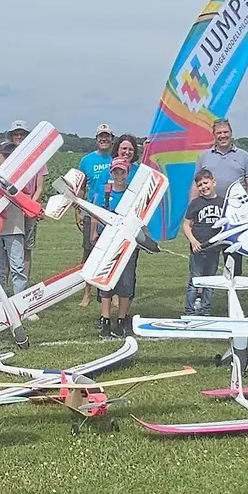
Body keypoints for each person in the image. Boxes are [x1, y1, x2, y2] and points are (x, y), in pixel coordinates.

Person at [93, 158, 154, 337]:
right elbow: (95, 215)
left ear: (128, 173)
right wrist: (93, 235)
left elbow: (140, 220)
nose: (119, 175)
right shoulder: (104, 192)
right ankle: (105, 319)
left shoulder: (133, 196)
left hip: (127, 243)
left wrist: (147, 239)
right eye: (116, 172)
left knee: (126, 281)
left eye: (123, 172)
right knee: (105, 279)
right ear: (111, 173)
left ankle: (121, 319)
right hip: (108, 242)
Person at [74, 124, 116, 307]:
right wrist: (77, 209)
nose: (104, 139)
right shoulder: (86, 160)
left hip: (113, 214)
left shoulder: (117, 159)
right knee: (89, 253)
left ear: (112, 139)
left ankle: (112, 292)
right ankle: (87, 293)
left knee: (112, 254)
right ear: (97, 139)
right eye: (101, 136)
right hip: (91, 214)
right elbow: (81, 188)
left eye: (107, 136)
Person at [0, 138, 29, 299]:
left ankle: (20, 303)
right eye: (5, 154)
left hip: (15, 226)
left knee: (18, 267)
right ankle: (2, 302)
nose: (8, 157)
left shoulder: (18, 175)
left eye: (11, 154)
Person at [182, 169, 225, 315]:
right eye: (200, 185)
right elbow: (186, 224)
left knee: (210, 281)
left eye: (206, 183)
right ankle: (190, 310)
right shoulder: (195, 203)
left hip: (214, 248)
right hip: (198, 248)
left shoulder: (223, 203)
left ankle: (206, 310)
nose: (203, 187)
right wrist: (193, 241)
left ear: (213, 182)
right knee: (195, 280)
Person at [6, 120, 44, 284]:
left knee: (27, 247)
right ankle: (6, 283)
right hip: (11, 207)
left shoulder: (38, 159)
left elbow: (40, 187)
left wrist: (29, 206)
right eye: (16, 134)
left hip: (29, 207)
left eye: (22, 134)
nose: (19, 137)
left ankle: (25, 284)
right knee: (9, 246)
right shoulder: (7, 157)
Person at [195, 118, 248, 203]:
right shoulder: (203, 156)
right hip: (210, 206)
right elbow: (196, 185)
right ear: (214, 135)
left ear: (231, 133)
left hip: (237, 206)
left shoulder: (245, 156)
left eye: (226, 132)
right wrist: (192, 210)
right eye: (219, 133)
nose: (223, 136)